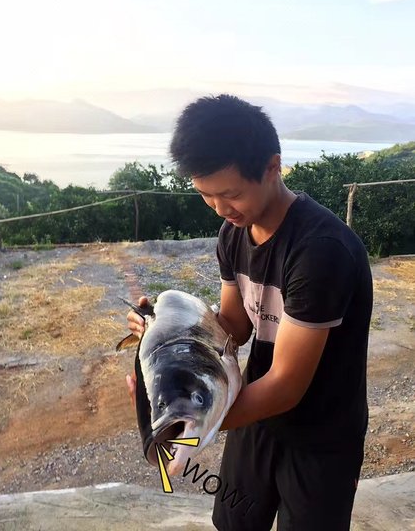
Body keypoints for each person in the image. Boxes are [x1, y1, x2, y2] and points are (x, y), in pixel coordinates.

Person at [126, 94, 373, 531]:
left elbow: (286, 386)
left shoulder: (320, 251)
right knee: (235, 523)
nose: (221, 209)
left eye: (231, 194)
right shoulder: (233, 235)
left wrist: (194, 424)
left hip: (321, 431)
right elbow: (234, 328)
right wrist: (165, 335)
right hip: (257, 415)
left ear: (273, 168)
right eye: (206, 195)